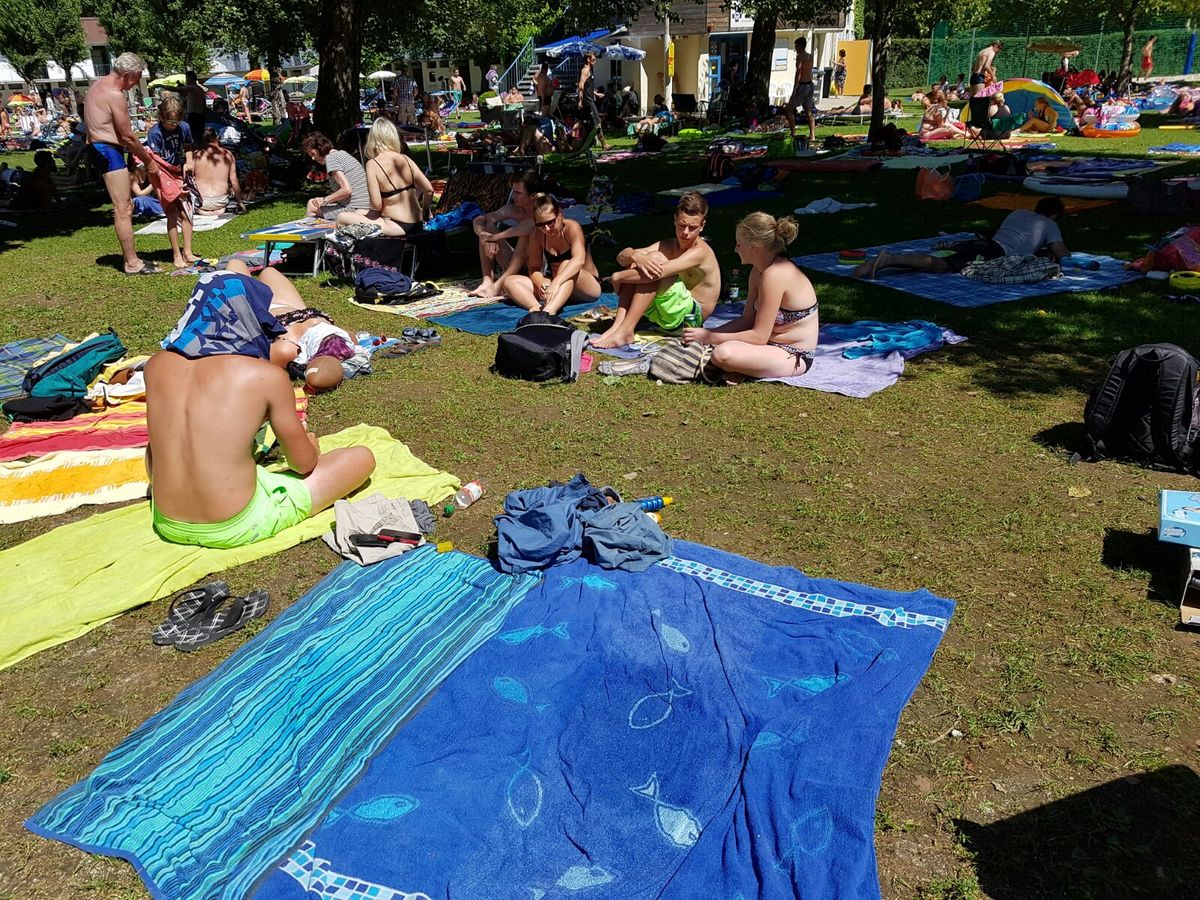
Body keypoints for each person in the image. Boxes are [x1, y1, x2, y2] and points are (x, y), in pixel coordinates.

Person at [145, 273, 375, 550]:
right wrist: (311, 447)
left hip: (168, 520)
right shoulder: (265, 376)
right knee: (361, 458)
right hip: (237, 523)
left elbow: (155, 452)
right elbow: (302, 464)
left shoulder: (156, 366)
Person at [681, 212, 817, 383]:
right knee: (719, 346)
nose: (735, 249)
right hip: (768, 346)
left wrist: (709, 337)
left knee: (723, 354)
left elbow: (759, 336)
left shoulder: (775, 275)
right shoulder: (757, 272)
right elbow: (747, 320)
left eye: (739, 244)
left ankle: (739, 368)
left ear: (754, 246)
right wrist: (707, 334)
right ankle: (742, 368)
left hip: (793, 354)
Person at [592, 191, 721, 349]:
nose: (685, 232)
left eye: (692, 227)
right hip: (667, 313)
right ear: (675, 220)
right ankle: (618, 327)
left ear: (702, 226)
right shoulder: (669, 244)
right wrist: (634, 255)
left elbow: (659, 272)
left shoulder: (700, 251)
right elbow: (622, 257)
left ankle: (627, 330)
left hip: (689, 320)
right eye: (682, 225)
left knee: (654, 262)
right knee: (639, 262)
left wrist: (617, 277)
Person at [852, 196, 1069, 279]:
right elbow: (1062, 254)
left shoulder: (1019, 212)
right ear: (1054, 215)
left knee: (942, 261)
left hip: (985, 244)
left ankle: (888, 262)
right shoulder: (1050, 224)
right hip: (994, 251)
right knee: (941, 265)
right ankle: (890, 259)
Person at [85, 50, 162, 274]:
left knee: (124, 205)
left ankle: (132, 259)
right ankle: (131, 262)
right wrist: (148, 161)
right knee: (124, 207)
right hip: (106, 149)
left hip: (102, 148)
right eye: (136, 79)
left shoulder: (97, 86)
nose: (136, 84)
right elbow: (128, 136)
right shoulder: (114, 94)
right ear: (128, 75)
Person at [502, 193, 602, 314]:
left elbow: (578, 260)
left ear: (559, 215)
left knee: (566, 263)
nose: (547, 229)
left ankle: (549, 312)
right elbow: (533, 268)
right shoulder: (537, 235)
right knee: (510, 281)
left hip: (585, 286)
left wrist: (556, 283)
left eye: (550, 222)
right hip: (556, 284)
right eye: (540, 225)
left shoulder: (572, 227)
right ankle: (536, 309)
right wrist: (541, 283)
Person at [335, 117, 432, 237]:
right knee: (359, 212)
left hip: (397, 225)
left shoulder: (372, 164)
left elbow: (376, 205)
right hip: (417, 222)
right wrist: (425, 211)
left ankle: (356, 249)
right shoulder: (406, 159)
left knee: (341, 217)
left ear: (372, 139)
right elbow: (429, 189)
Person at [469, 168, 538, 297]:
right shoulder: (513, 209)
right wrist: (483, 235)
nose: (513, 196)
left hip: (537, 266)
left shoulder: (543, 208)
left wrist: (495, 237)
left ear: (533, 196)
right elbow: (480, 219)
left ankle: (498, 286)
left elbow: (530, 226)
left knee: (525, 237)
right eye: (513, 191)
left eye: (518, 193)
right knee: (488, 226)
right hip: (516, 263)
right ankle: (487, 280)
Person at [146, 95, 197, 269]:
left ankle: (188, 251)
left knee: (187, 211)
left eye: (177, 122)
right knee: (172, 213)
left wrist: (189, 161)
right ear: (161, 117)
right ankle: (176, 254)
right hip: (161, 173)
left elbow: (188, 146)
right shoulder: (155, 133)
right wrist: (168, 183)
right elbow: (155, 161)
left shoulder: (184, 127)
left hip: (178, 171)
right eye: (170, 122)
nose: (174, 125)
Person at [302, 131, 370, 220]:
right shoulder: (342, 154)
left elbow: (347, 190)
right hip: (367, 206)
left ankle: (310, 227)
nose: (313, 158)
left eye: (313, 154)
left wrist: (325, 200)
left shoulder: (331, 158)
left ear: (320, 148)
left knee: (311, 205)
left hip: (354, 209)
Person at [192, 128, 245, 216]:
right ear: (216, 138)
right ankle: (218, 209)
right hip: (220, 201)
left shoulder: (196, 155)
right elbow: (234, 180)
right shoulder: (227, 154)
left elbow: (188, 178)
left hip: (202, 202)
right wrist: (239, 202)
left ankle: (202, 210)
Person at [786, 36, 816, 145]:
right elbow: (809, 71)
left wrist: (795, 88)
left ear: (801, 46)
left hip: (803, 86)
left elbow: (798, 72)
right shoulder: (810, 56)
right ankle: (812, 135)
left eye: (796, 46)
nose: (795, 48)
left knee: (789, 109)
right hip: (810, 85)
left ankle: (793, 133)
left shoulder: (800, 57)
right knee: (809, 112)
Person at [577, 52, 609, 150]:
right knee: (597, 122)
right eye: (594, 60)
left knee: (590, 124)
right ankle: (604, 145)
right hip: (587, 101)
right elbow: (581, 85)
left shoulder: (589, 70)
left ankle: (584, 145)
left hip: (590, 99)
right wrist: (580, 101)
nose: (595, 61)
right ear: (588, 59)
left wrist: (596, 94)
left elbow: (588, 87)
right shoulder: (585, 70)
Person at [168, 71, 208, 146]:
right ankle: (199, 148)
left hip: (194, 115)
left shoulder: (192, 88)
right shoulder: (199, 89)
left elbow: (175, 89)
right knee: (198, 136)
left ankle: (196, 148)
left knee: (194, 136)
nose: (186, 80)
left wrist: (160, 85)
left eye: (186, 78)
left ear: (190, 78)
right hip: (200, 114)